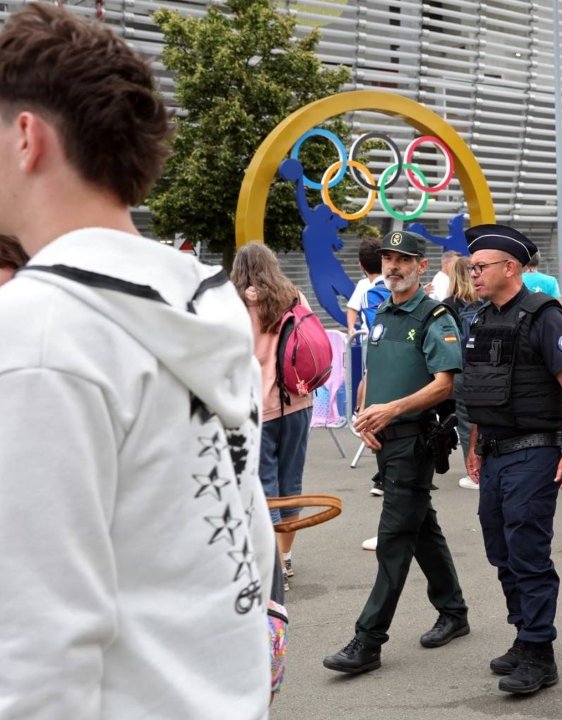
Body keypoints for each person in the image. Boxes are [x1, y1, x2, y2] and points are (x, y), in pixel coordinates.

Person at [0, 5, 273, 717]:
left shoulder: (40, 332)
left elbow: (35, 653)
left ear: (26, 136)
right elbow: (248, 534)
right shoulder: (206, 296)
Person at [322, 230, 471, 675]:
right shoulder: (383, 310)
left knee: (394, 539)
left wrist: (391, 411)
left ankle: (368, 640)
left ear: (421, 267)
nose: (393, 266)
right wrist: (366, 412)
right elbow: (374, 370)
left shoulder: (434, 316)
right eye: (388, 258)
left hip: (413, 439)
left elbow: (446, 383)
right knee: (420, 526)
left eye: (403, 259)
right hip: (385, 437)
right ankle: (454, 610)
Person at [462, 224, 562, 696]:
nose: (472, 275)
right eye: (471, 267)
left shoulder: (544, 315)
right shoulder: (480, 318)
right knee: (501, 551)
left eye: (480, 267)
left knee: (528, 553)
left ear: (509, 268)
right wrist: (475, 443)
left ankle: (539, 652)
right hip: (494, 451)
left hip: (535, 450)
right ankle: (523, 634)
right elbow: (480, 386)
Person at [231, 244, 315, 590]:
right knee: (291, 481)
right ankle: (287, 557)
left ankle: (270, 565)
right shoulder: (292, 296)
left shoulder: (230, 303)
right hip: (297, 398)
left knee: (263, 485)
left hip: (255, 407)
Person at [444, 256, 486, 491]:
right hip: (485, 369)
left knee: (465, 420)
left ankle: (473, 471)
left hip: (462, 369)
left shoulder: (449, 303)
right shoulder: (482, 301)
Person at [346, 237, 386, 333]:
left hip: (373, 339)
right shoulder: (362, 284)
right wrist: (351, 328)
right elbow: (352, 307)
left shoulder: (392, 284)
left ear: (361, 265)